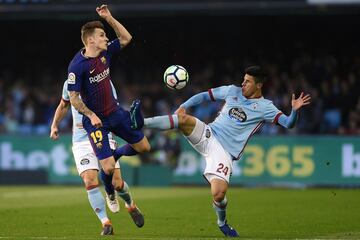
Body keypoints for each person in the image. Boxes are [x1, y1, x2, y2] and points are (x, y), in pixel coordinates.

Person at [135, 66, 311, 237]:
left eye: (248, 82)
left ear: (258, 85)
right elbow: (205, 95)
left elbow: (289, 123)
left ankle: (222, 223)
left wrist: (294, 111)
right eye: (243, 80)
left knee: (218, 194)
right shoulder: (232, 91)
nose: (243, 84)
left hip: (224, 152)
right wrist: (184, 105)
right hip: (209, 134)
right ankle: (141, 122)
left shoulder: (266, 107)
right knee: (183, 119)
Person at [50, 80, 144, 235]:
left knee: (117, 183)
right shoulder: (69, 83)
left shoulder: (103, 80)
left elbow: (114, 109)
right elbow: (63, 105)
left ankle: (130, 205)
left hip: (103, 133)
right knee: (89, 180)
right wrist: (54, 125)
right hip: (81, 140)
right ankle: (106, 224)